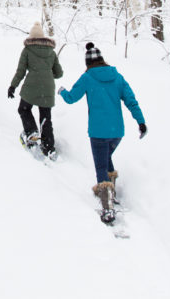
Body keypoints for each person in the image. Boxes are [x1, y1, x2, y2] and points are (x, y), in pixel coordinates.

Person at [59, 42, 146, 224]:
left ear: (88, 62)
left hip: (98, 131)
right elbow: (131, 100)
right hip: (117, 132)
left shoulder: (87, 77)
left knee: (100, 166)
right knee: (106, 159)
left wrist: (62, 91)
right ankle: (111, 191)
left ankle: (107, 207)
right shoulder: (117, 77)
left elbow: (71, 98)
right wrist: (141, 122)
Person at [8, 21, 63, 159]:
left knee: (24, 109)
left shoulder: (27, 50)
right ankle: (49, 147)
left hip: (31, 86)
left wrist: (13, 86)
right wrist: (48, 74)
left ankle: (32, 132)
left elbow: (20, 71)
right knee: (46, 117)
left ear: (31, 37)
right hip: (48, 87)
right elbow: (59, 73)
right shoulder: (51, 52)